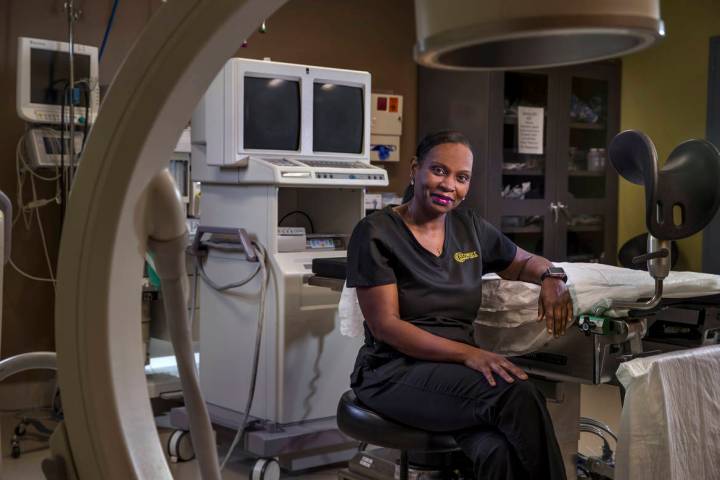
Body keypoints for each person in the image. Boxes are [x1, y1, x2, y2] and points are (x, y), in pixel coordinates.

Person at [346, 130, 573, 480]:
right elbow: (386, 326)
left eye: (461, 177)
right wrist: (469, 354)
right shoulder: (376, 232)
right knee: (518, 396)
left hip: (453, 375)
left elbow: (525, 261)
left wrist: (552, 277)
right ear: (415, 169)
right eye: (439, 171)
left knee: (497, 450)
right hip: (392, 372)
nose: (448, 184)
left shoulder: (470, 229)